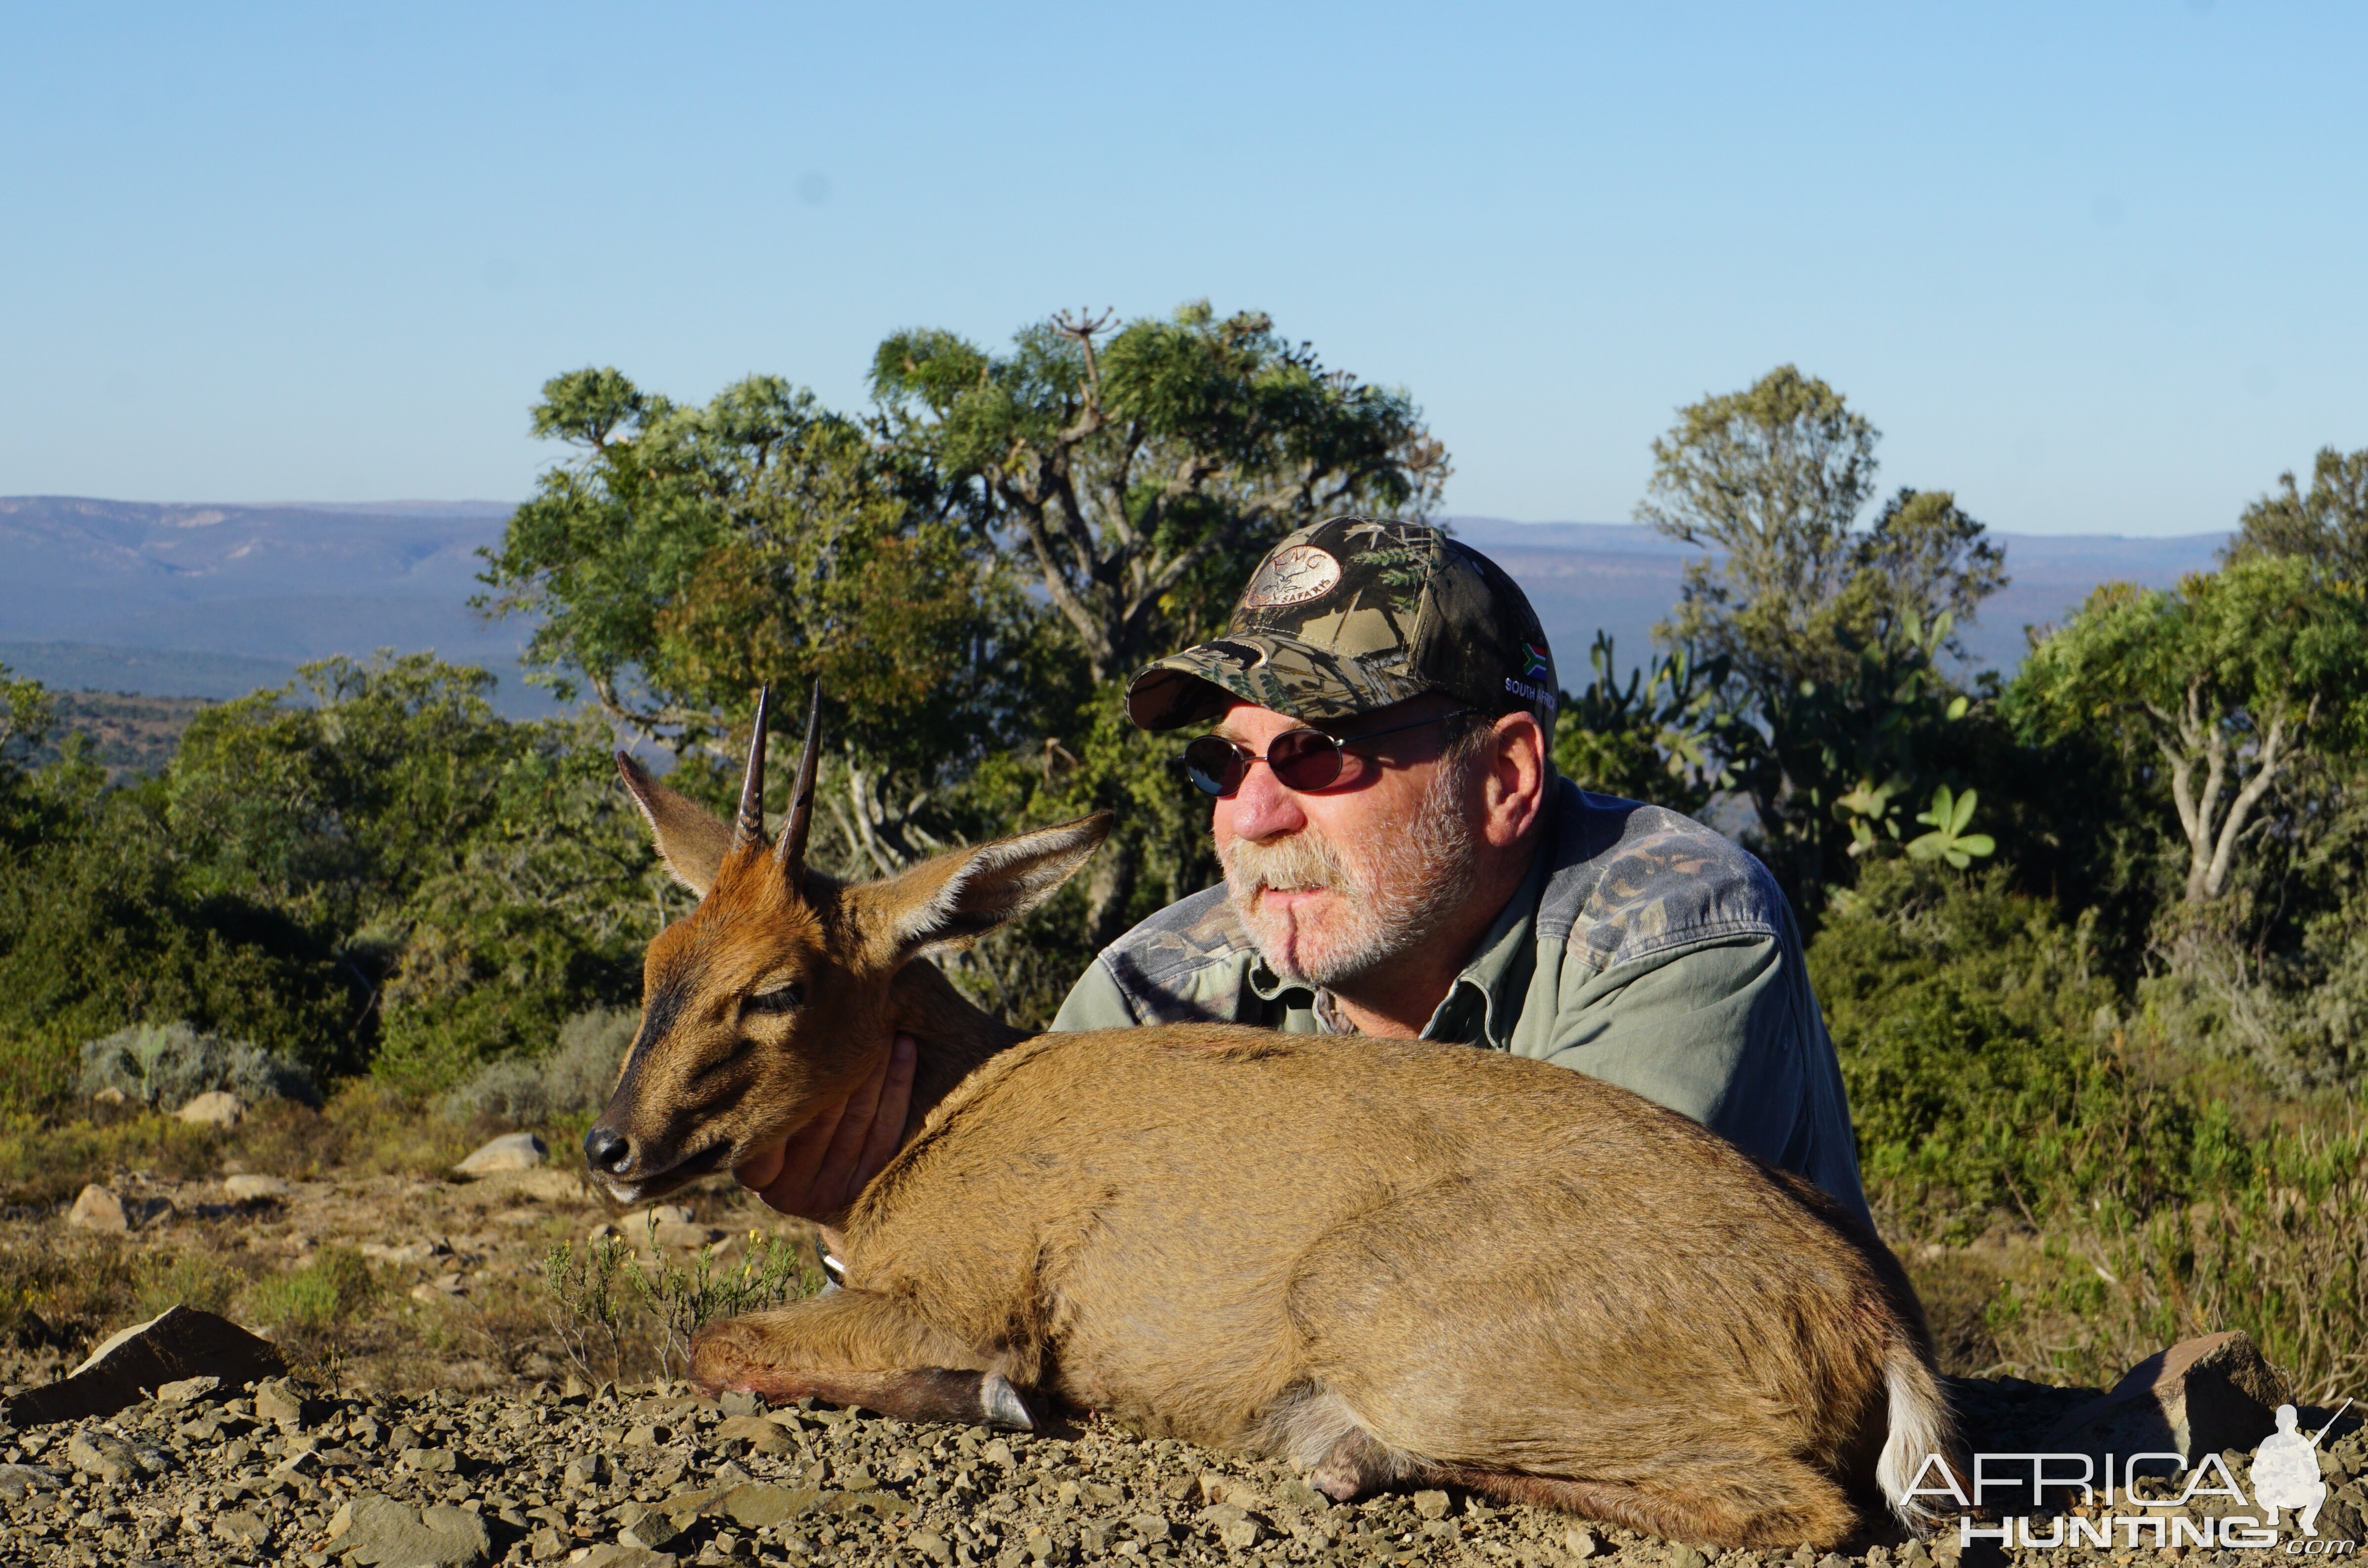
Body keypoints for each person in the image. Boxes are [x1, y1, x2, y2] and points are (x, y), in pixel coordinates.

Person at [740, 516, 1871, 1232]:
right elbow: (1012, 1270)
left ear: (1506, 780)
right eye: (1223, 760)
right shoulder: (1154, 989)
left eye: (1317, 752)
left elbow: (1565, 1279)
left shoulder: (1673, 931)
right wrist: (871, 1217)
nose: (1256, 813)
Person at [2250, 1404, 2330, 1535]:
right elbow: (2255, 1474)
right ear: (2277, 1422)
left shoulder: (2303, 1443)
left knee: (2321, 1488)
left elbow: (2315, 1473)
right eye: (2283, 1421)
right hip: (2273, 1492)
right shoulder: (2269, 1442)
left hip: (2295, 1491)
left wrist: (2302, 1466)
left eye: (2290, 1421)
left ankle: (2307, 1522)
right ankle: (2273, 1514)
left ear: (2295, 1422)